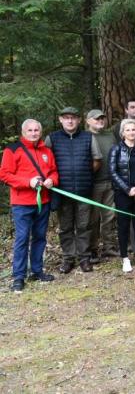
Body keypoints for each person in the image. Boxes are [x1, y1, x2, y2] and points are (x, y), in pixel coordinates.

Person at [0, 119, 59, 292]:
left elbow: (54, 171)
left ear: (40, 132)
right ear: (23, 132)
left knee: (40, 237)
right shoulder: (13, 150)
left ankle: (37, 270)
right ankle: (18, 276)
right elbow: (5, 175)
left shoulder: (46, 151)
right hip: (22, 203)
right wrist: (28, 182)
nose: (34, 133)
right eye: (30, 130)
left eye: (36, 130)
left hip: (44, 202)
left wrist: (51, 180)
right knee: (22, 238)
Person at [45, 107, 103, 274]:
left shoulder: (88, 137)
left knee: (84, 225)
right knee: (65, 227)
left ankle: (84, 258)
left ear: (78, 120)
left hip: (84, 191)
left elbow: (97, 159)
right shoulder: (52, 138)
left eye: (73, 118)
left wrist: (84, 174)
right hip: (62, 192)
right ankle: (68, 258)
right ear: (61, 120)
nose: (70, 121)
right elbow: (46, 163)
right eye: (66, 118)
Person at [109, 119, 135, 273]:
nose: (131, 132)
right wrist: (128, 189)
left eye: (133, 129)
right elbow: (113, 172)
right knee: (123, 226)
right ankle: (125, 258)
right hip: (123, 194)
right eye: (128, 130)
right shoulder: (116, 149)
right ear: (123, 133)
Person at [86, 109, 118, 261]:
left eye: (102, 118)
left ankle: (109, 247)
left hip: (110, 182)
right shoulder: (85, 137)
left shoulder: (110, 135)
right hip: (93, 184)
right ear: (88, 121)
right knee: (92, 218)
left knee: (109, 217)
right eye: (96, 119)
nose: (100, 121)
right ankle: (92, 249)